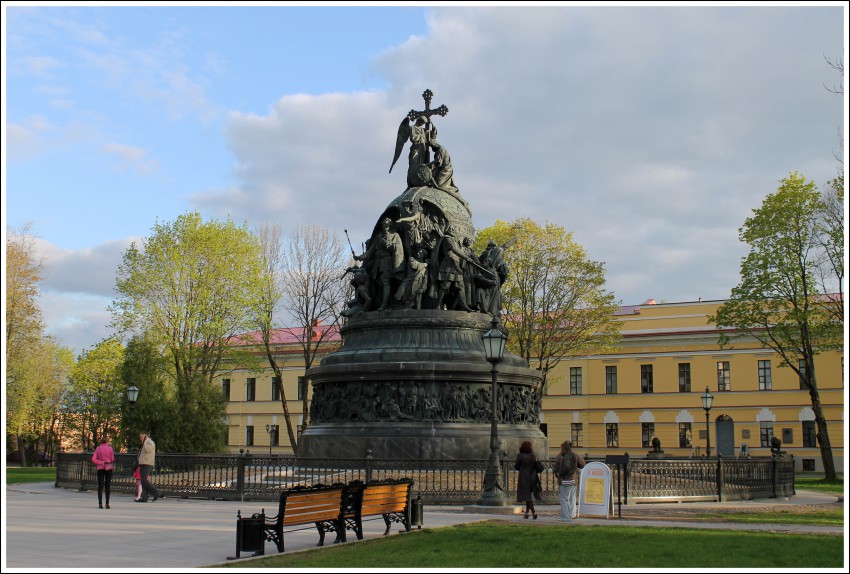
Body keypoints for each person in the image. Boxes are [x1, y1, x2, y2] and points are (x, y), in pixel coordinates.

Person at [554, 439, 585, 522]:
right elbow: (582, 464)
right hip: (573, 479)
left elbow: (557, 467)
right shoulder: (575, 455)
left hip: (564, 479)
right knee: (572, 497)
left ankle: (565, 517)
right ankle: (572, 514)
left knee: (564, 498)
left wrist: (558, 473)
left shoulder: (560, 456)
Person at [514, 441, 544, 519]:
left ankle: (534, 512)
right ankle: (527, 513)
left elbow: (516, 467)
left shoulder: (520, 456)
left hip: (524, 478)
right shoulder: (533, 455)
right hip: (533, 477)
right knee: (528, 496)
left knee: (527, 496)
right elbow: (539, 467)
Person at [136, 431, 162, 503]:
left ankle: (156, 492)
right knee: (142, 481)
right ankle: (144, 498)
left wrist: (144, 442)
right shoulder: (145, 443)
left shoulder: (150, 442)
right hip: (143, 463)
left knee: (144, 480)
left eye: (142, 437)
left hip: (147, 463)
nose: (140, 438)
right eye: (140, 437)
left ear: (146, 436)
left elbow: (148, 450)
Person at [91, 435, 115, 509]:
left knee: (100, 486)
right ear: (107, 441)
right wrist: (108, 461)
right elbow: (112, 459)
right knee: (108, 485)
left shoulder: (98, 449)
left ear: (101, 441)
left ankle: (100, 503)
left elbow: (93, 459)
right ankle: (107, 503)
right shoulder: (110, 448)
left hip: (100, 468)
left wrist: (101, 462)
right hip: (108, 468)